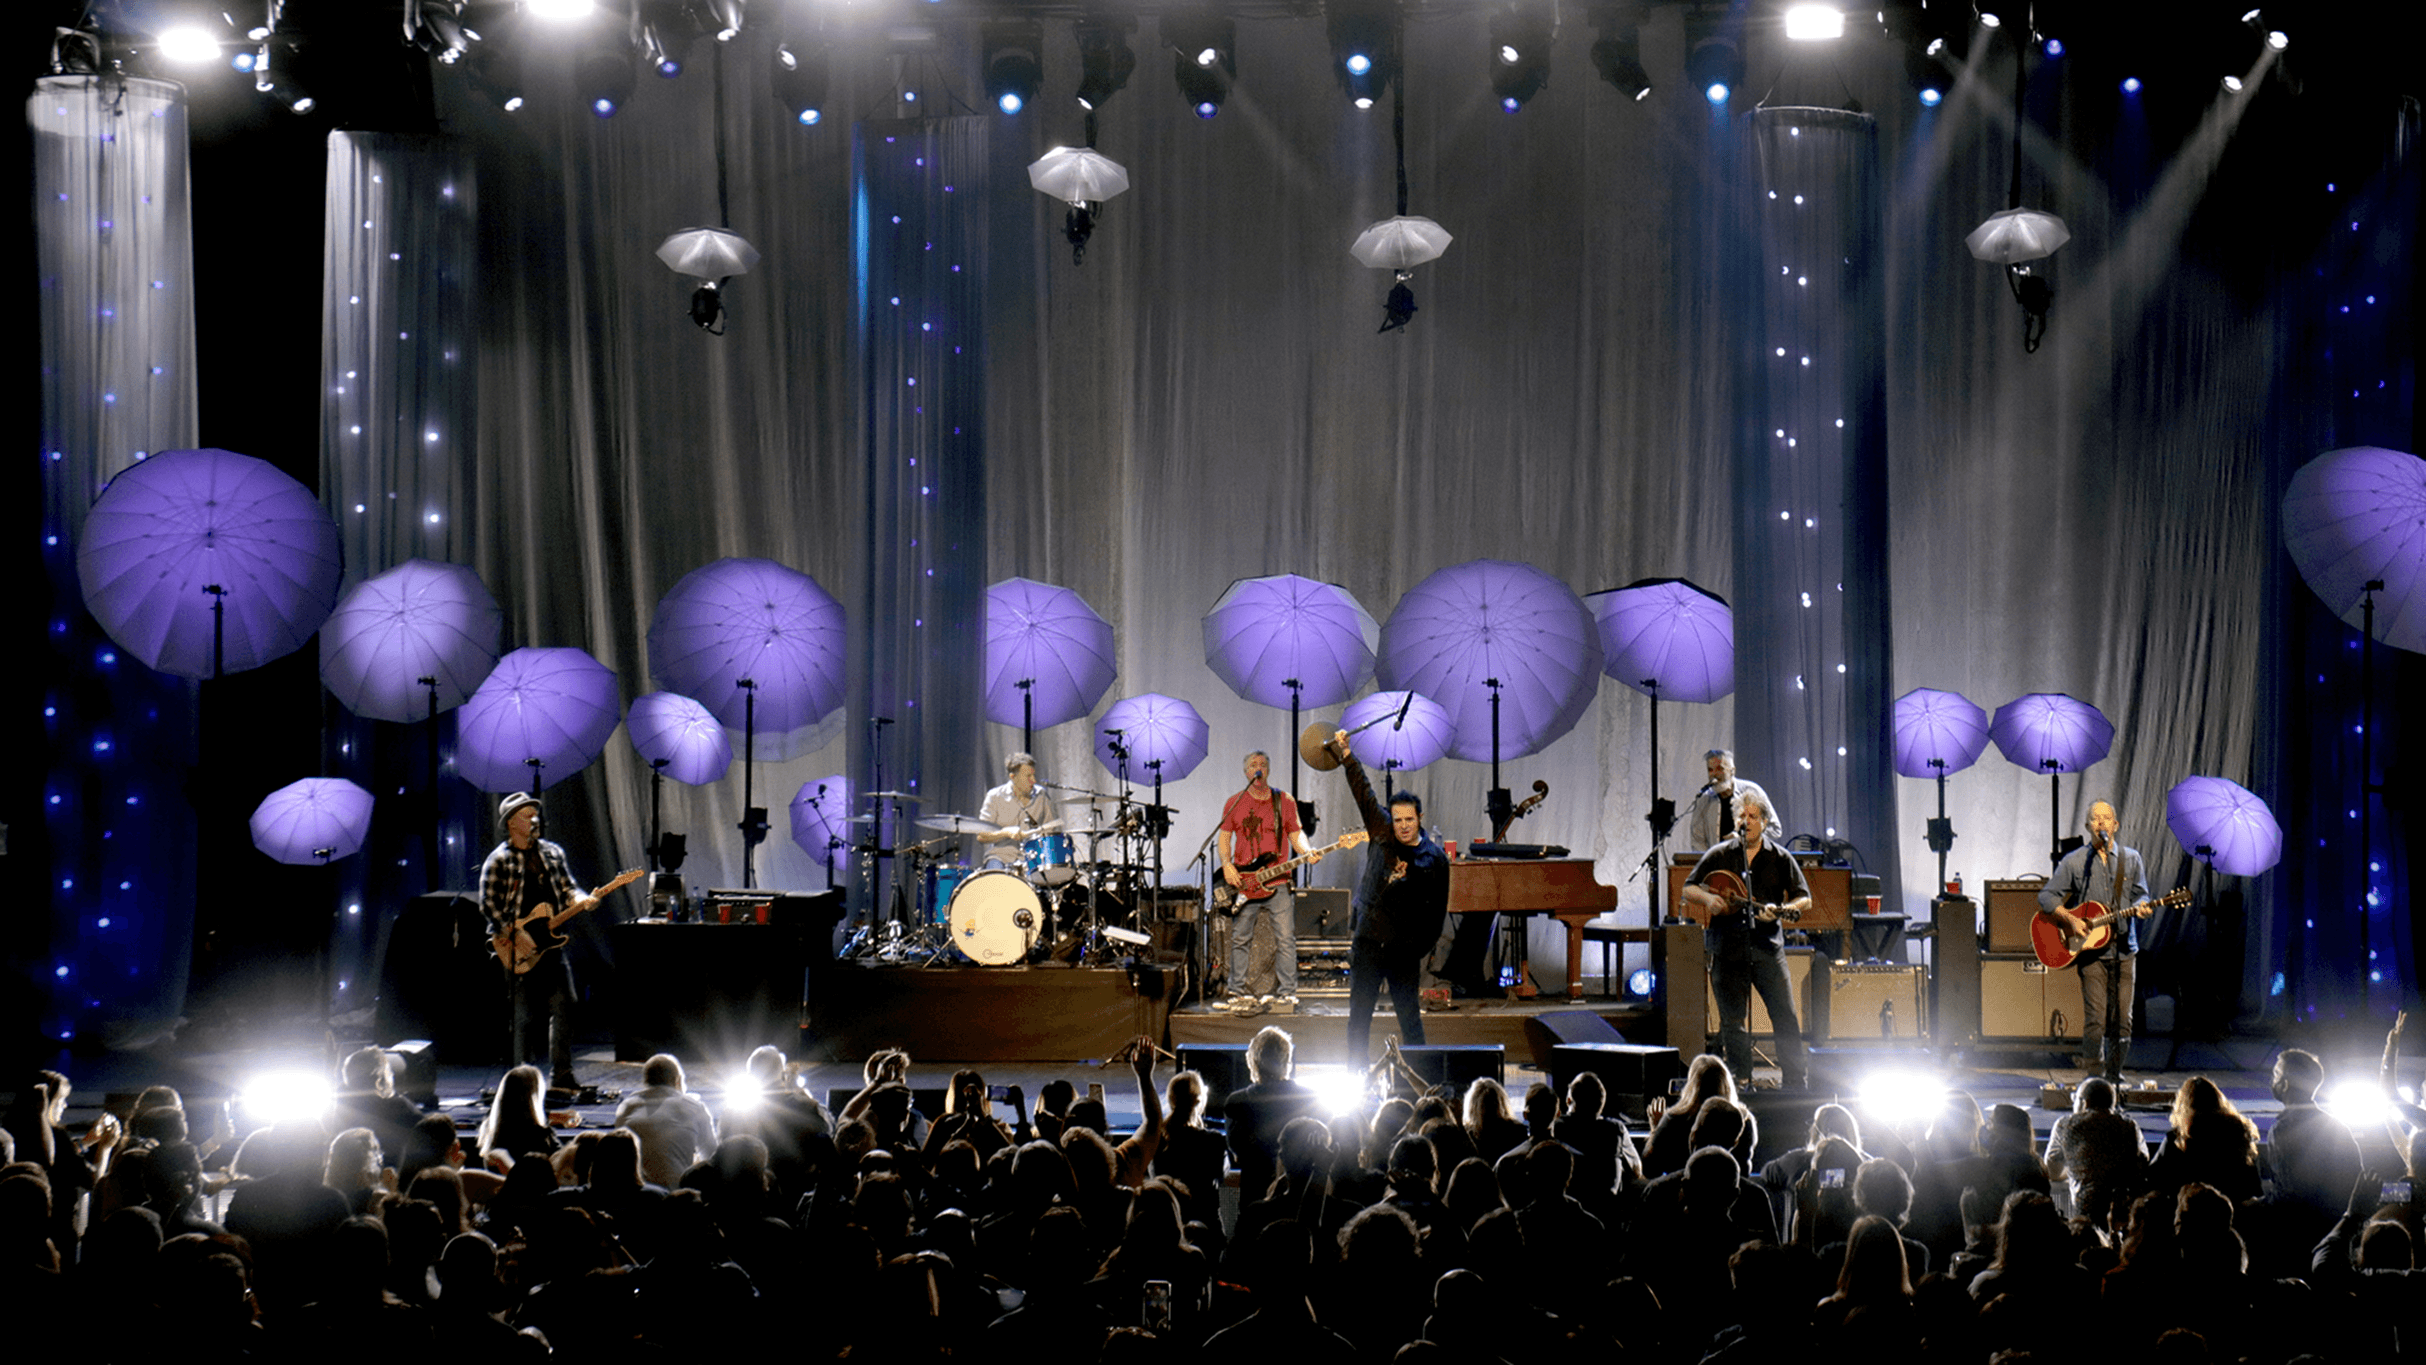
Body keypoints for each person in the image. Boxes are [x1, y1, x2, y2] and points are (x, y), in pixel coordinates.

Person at [1325, 727, 1450, 1064]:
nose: (1403, 826)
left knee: (1410, 1020)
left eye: (1409, 819)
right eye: (1397, 820)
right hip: (1368, 942)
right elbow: (1363, 792)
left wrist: (1417, 949)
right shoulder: (1381, 830)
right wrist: (1346, 754)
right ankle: (1355, 1078)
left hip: (1403, 950)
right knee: (1358, 1019)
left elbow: (1436, 914)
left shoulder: (1435, 859)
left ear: (1420, 818)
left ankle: (1419, 1078)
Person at [1682, 791, 1811, 1089]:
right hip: (1727, 948)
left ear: (1764, 822)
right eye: (1742, 816)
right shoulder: (1720, 854)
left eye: (1753, 816)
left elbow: (1805, 898)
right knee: (1732, 1021)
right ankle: (1740, 1081)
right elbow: (1689, 887)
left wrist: (1783, 909)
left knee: (1785, 1016)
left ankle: (1795, 1082)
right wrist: (1708, 900)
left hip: (1768, 948)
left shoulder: (1780, 857)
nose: (1746, 821)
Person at [477, 792, 597, 1092]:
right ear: (511, 823)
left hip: (551, 945)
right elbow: (488, 904)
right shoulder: (499, 860)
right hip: (517, 947)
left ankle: (562, 1074)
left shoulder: (552, 853)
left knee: (566, 1004)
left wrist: (583, 899)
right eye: (527, 816)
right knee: (524, 1016)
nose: (534, 820)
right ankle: (522, 1079)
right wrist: (512, 933)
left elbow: (569, 888)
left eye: (535, 814)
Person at [2038, 799, 2152, 1080]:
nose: (2101, 823)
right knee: (2095, 1020)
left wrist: (2143, 906)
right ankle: (2093, 1077)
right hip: (2092, 954)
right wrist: (2071, 919)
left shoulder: (2131, 859)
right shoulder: (2075, 861)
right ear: (2088, 826)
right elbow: (2047, 896)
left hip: (2125, 950)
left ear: (2116, 825)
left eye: (2107, 818)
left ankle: (2114, 1075)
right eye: (2095, 818)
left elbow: (2141, 895)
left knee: (2123, 1021)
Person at [1217, 749, 1322, 1013]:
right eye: (1254, 765)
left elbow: (1296, 833)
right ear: (1246, 772)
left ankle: (1287, 993)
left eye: (1263, 764)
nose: (1259, 768)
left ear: (1268, 770)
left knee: (1285, 939)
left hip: (1277, 880)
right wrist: (1227, 865)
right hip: (1246, 882)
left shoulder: (1284, 801)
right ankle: (1236, 991)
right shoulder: (1234, 802)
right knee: (1240, 939)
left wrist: (1307, 851)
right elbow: (1224, 838)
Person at [614, 1054, 719, 1188]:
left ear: (646, 1080)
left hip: (635, 1194)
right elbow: (712, 1157)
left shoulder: (627, 1106)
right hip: (676, 1193)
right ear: (677, 1080)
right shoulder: (694, 1107)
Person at [1690, 748, 1780, 850]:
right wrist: (1711, 858)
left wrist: (1744, 838)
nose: (1714, 774)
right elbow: (1697, 840)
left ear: (1732, 771)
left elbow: (1775, 829)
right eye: (1710, 770)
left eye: (1719, 769)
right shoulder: (1703, 799)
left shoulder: (1752, 791)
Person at [976, 751, 1056, 859]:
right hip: (1001, 856)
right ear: (1013, 777)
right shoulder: (995, 796)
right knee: (994, 869)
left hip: (1034, 858)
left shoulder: (1041, 795)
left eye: (1034, 775)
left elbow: (1051, 831)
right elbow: (981, 836)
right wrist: (1006, 833)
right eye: (1028, 776)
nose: (1034, 780)